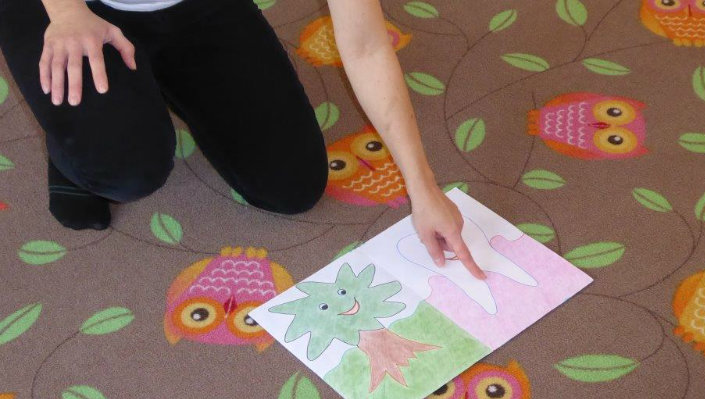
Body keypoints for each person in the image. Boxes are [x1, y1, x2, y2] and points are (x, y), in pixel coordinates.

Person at [0, 0, 485, 278]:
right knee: (126, 171)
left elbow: (366, 46)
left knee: (290, 186)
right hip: (67, 13)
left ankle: (154, 78)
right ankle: (71, 151)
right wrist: (65, 12)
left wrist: (423, 188)